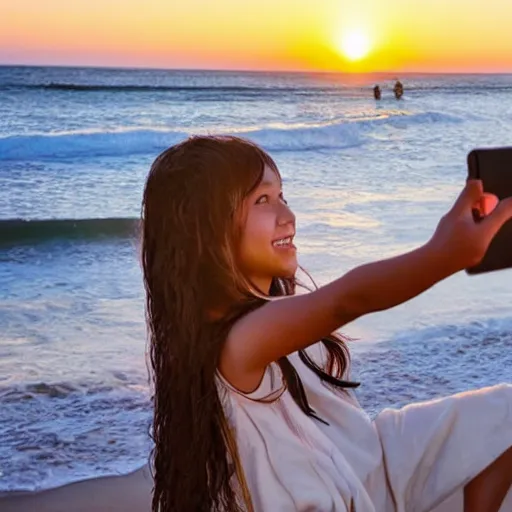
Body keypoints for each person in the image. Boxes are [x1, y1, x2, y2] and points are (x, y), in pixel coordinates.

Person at [141, 135, 512, 512]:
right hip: (329, 497)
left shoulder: (277, 310)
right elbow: (347, 299)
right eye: (262, 200)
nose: (288, 215)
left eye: (283, 195)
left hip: (360, 461)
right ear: (205, 228)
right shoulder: (235, 342)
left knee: (505, 411)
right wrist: (444, 254)